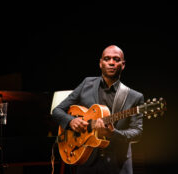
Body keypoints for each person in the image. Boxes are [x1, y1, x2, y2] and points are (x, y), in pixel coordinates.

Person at [52, 45, 144, 174]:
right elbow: (57, 111)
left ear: (123, 65)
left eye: (116, 59)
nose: (111, 63)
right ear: (101, 63)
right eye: (107, 59)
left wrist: (113, 133)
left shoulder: (134, 97)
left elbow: (137, 133)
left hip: (118, 166)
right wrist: (71, 121)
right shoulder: (86, 84)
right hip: (86, 161)